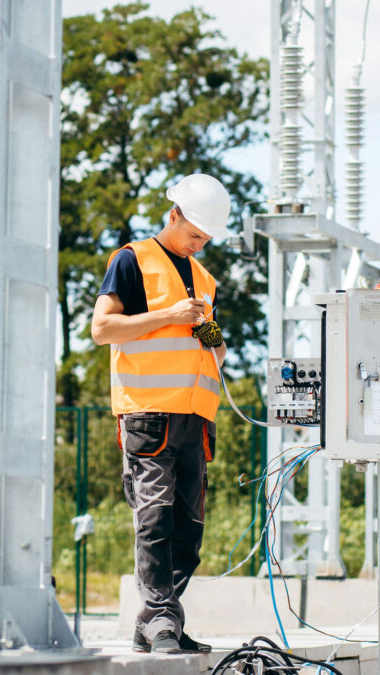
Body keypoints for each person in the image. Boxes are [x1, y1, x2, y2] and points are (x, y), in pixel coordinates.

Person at [90, 173, 231, 655]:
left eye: (205, 239)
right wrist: (169, 316)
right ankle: (160, 620)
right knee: (154, 518)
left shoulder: (206, 280)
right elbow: (103, 328)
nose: (197, 245)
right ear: (173, 215)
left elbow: (215, 348)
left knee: (187, 532)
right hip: (148, 415)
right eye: (192, 235)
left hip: (195, 418)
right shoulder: (132, 261)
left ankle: (154, 619)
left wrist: (210, 336)